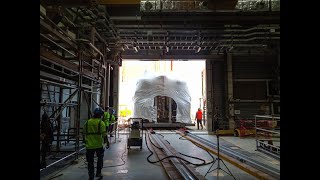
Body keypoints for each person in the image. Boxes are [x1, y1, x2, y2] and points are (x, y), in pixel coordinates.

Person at [83, 107, 106, 180]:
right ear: (100, 115)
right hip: (98, 145)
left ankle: (91, 176)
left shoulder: (87, 122)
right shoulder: (101, 123)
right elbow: (104, 134)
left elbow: (84, 133)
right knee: (100, 159)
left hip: (89, 146)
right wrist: (107, 143)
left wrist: (85, 142)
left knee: (90, 162)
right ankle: (98, 173)